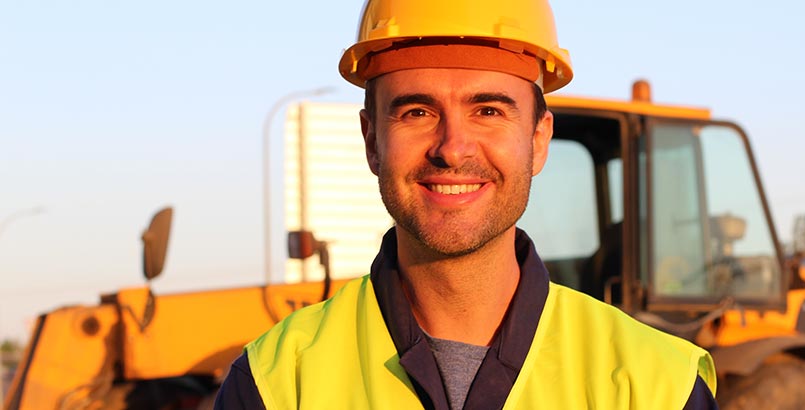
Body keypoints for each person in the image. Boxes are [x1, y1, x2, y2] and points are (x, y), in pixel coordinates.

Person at [215, 0, 718, 408]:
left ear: (538, 140)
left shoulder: (656, 387)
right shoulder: (278, 383)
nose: (452, 147)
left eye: (488, 110)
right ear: (371, 141)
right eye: (416, 111)